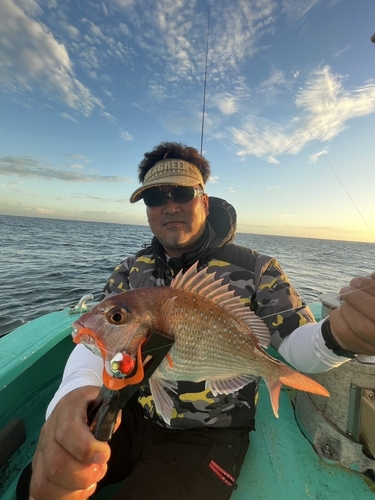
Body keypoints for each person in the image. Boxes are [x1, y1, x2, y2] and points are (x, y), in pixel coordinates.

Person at [26, 142, 375, 500]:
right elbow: (97, 340)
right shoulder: (130, 272)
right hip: (132, 410)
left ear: (204, 201)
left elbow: (295, 343)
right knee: (37, 483)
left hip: (210, 432)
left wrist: (336, 337)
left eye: (182, 192)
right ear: (147, 211)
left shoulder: (257, 269)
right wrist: (70, 398)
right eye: (154, 198)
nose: (170, 205)